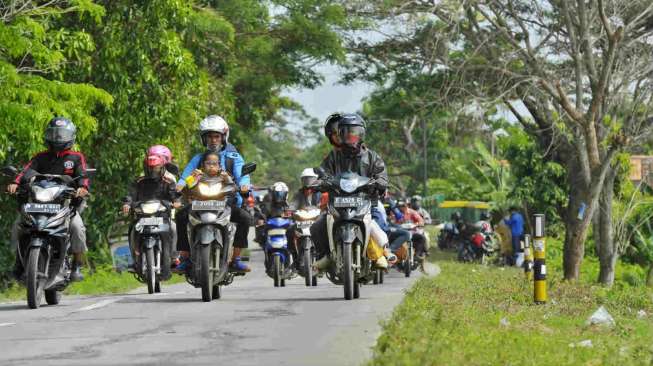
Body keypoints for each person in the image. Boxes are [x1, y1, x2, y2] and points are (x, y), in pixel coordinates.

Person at [7, 117, 89, 281]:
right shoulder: (40, 157)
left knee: (77, 227)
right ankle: (18, 263)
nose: (58, 138)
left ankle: (77, 265)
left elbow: (83, 176)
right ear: (47, 136)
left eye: (62, 134)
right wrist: (15, 183)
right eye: (55, 134)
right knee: (19, 225)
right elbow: (25, 172)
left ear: (71, 136)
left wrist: (82, 188)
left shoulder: (75, 157)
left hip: (66, 204)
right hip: (39, 204)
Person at [310, 113, 391, 270]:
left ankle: (382, 252)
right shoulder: (333, 157)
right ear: (341, 134)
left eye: (354, 132)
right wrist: (319, 182)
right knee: (317, 225)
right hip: (338, 201)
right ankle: (326, 255)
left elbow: (382, 175)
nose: (350, 136)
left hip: (365, 201)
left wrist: (380, 182)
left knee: (377, 220)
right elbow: (323, 173)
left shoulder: (373, 157)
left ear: (361, 134)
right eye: (346, 132)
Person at [175, 115, 253, 273]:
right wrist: (179, 186)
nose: (213, 140)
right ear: (204, 139)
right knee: (180, 216)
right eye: (209, 137)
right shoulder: (198, 159)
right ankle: (185, 257)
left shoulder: (233, 157)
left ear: (223, 137)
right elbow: (185, 176)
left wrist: (244, 185)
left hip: (226, 201)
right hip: (200, 201)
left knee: (245, 218)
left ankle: (236, 259)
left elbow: (242, 174)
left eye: (216, 136)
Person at [122, 147, 181, 277]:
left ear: (162, 166)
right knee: (132, 230)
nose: (153, 170)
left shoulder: (168, 180)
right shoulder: (139, 180)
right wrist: (127, 203)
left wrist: (175, 201)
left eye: (156, 167)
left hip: (162, 216)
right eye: (151, 167)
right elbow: (131, 194)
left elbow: (173, 195)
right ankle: (135, 258)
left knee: (174, 228)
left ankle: (173, 257)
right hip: (142, 216)